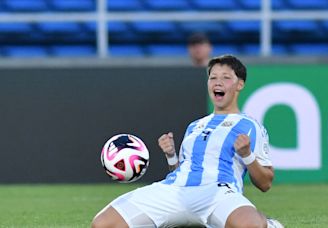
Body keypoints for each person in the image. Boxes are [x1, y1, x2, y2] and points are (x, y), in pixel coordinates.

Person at [91, 55, 284, 228]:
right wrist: (171, 156)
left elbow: (265, 183)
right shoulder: (195, 126)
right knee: (103, 224)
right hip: (174, 190)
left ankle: (270, 225)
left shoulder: (250, 126)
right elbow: (182, 172)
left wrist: (247, 155)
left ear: (239, 84)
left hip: (217, 192)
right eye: (213, 77)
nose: (218, 82)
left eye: (225, 78)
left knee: (250, 226)